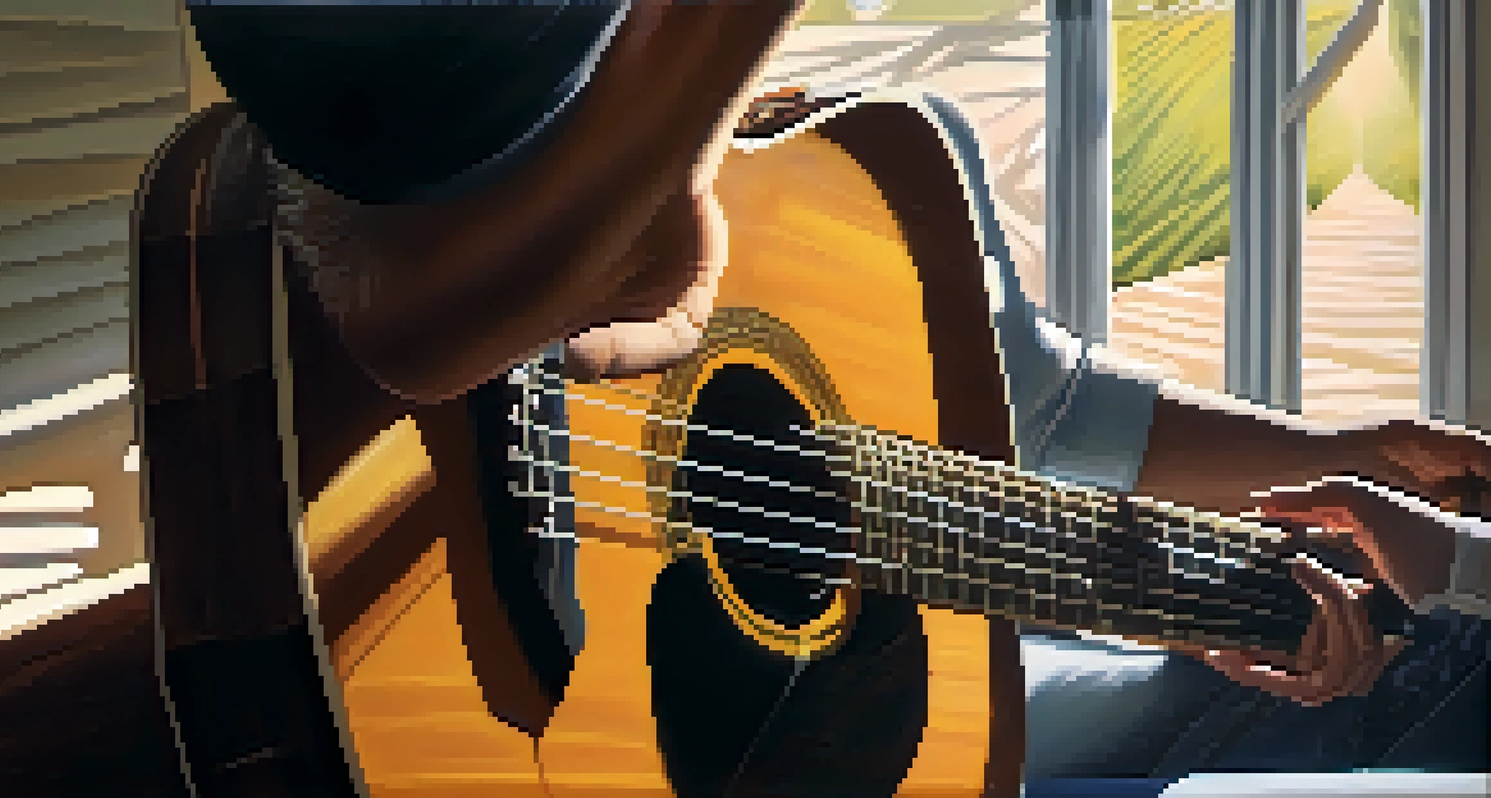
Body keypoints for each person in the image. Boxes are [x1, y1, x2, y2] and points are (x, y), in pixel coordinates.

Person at [165, 0, 1490, 793]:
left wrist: (1347, 459)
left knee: (1336, 673)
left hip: (859, 709)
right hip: (524, 669)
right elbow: (434, 312)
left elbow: (1043, 408)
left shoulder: (886, 190)